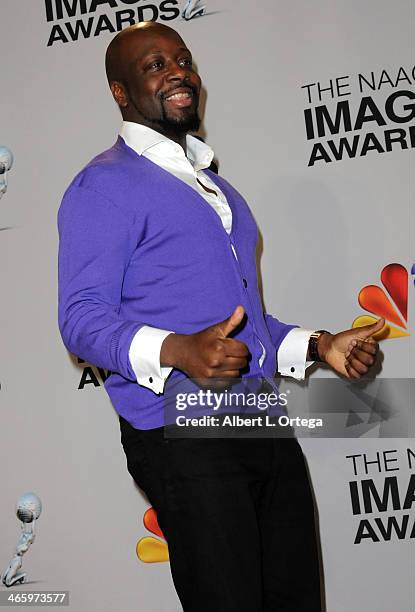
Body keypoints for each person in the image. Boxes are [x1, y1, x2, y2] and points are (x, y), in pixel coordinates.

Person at [57, 22, 383, 611]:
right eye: (155, 65)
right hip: (180, 432)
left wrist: (320, 345)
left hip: (258, 418)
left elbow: (243, 322)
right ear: (120, 92)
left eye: (183, 59)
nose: (178, 71)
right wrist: (179, 350)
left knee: (295, 598)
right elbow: (80, 318)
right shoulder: (102, 186)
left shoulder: (218, 189)